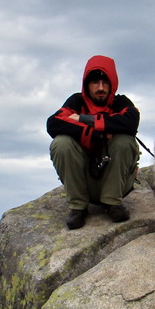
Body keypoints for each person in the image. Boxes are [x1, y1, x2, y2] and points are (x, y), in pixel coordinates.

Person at [46, 55, 140, 229]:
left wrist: (84, 119)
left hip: (116, 182)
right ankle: (78, 207)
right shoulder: (76, 101)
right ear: (86, 84)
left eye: (106, 83)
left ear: (113, 84)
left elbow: (131, 121)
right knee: (61, 143)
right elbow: (54, 123)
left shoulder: (120, 102)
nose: (101, 88)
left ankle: (113, 203)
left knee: (125, 140)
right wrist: (93, 133)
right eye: (95, 82)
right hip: (84, 181)